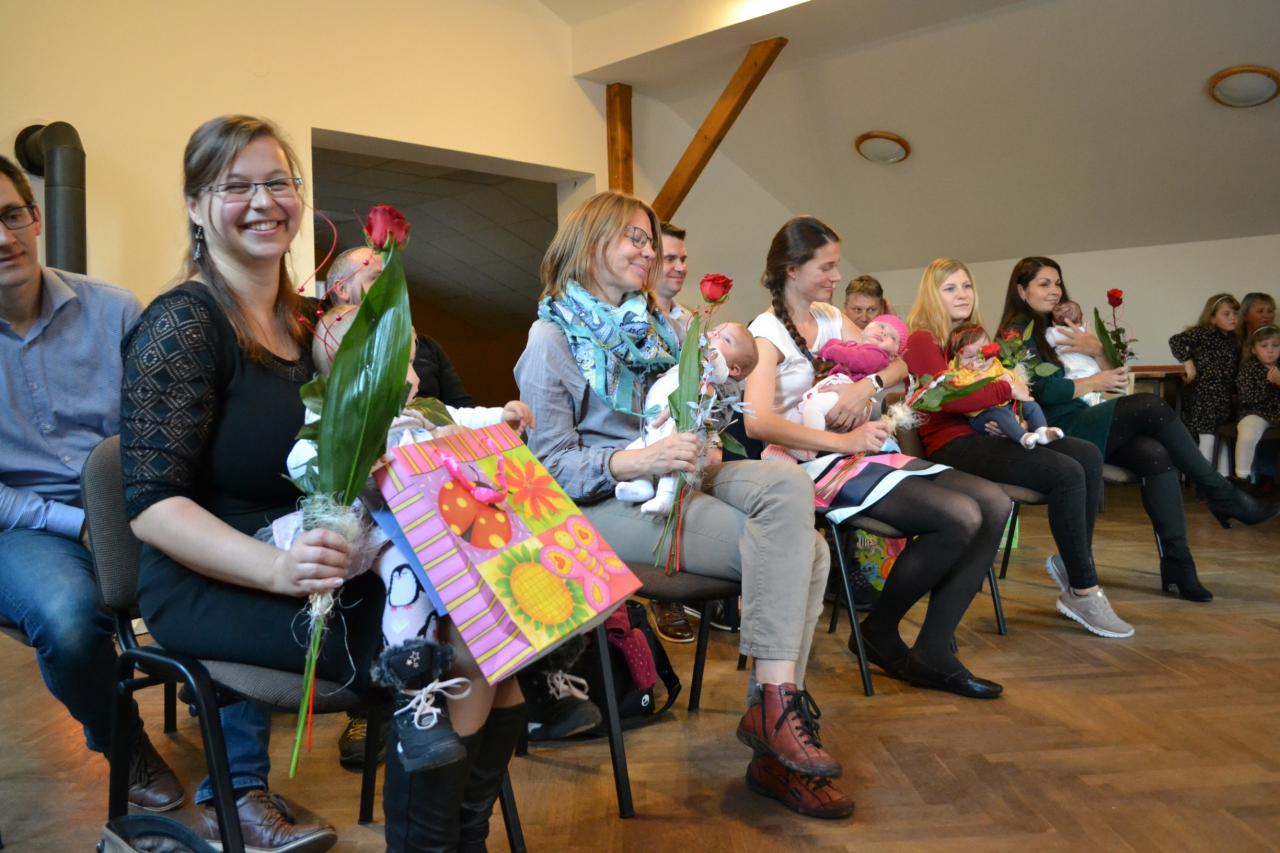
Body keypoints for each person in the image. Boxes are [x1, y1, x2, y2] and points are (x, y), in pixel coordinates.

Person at [120, 115, 516, 852]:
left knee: (499, 633)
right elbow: (150, 505)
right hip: (220, 573)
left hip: (331, 547)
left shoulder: (316, 324)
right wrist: (278, 569)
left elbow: (382, 430)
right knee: (461, 642)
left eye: (279, 182)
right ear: (196, 204)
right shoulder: (180, 325)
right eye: (235, 186)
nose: (263, 201)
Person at [517, 192, 853, 819]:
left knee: (787, 485)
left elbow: (701, 412)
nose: (648, 251)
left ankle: (772, 711)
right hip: (606, 499)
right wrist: (640, 460)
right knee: (807, 553)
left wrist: (715, 401)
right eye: (634, 238)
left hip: (682, 473)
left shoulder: (664, 328)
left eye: (651, 240)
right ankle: (777, 728)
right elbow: (550, 468)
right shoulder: (550, 337)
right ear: (589, 242)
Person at [743, 218, 1009, 703]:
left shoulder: (829, 316)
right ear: (791, 269)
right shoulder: (766, 333)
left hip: (861, 449)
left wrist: (868, 385)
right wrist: (844, 442)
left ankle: (933, 647)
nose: (835, 276)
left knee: (994, 503)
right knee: (959, 515)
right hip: (808, 464)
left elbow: (901, 361)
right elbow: (758, 422)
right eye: (827, 267)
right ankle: (881, 631)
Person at [0, 155, 184, 812]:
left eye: (10, 215)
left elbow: (159, 425)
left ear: (36, 218)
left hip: (131, 498)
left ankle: (240, 765)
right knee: (71, 623)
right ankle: (121, 739)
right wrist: (76, 524)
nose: (3, 238)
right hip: (23, 524)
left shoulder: (114, 309)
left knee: (228, 564)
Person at [999, 257, 1278, 607]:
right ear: (1021, 290)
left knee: (1155, 454)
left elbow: (1116, 377)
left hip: (1089, 417)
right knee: (1149, 404)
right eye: (1044, 284)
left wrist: (1097, 350)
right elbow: (1043, 391)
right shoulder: (1016, 333)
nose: (1055, 290)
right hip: (1057, 428)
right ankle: (1221, 494)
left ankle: (1179, 564)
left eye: (1057, 283)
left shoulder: (1061, 324)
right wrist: (1095, 381)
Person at [614, 321, 758, 514]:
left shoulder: (721, 376)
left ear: (734, 369)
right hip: (656, 425)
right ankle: (642, 485)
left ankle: (666, 497)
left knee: (676, 458)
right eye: (716, 330)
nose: (714, 334)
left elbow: (713, 369)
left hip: (681, 426)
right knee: (637, 447)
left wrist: (703, 351)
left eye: (725, 338)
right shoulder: (694, 361)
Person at [328, 245, 474, 406]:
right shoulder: (326, 347)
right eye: (377, 279)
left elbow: (463, 407)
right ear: (342, 289)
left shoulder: (426, 346)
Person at [760, 314, 908, 462]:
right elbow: (833, 345)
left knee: (814, 407)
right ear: (863, 330)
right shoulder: (852, 344)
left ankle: (810, 449)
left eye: (892, 337)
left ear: (893, 355)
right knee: (798, 417)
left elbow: (857, 360)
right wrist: (833, 346)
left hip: (850, 394)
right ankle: (781, 452)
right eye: (881, 326)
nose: (884, 333)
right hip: (835, 392)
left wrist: (833, 351)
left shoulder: (878, 355)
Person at [947, 323, 1064, 449]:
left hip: (1006, 406)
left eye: (985, 353)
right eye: (970, 357)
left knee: (1031, 406)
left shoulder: (995, 364)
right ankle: (1023, 438)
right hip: (981, 415)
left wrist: (1010, 378)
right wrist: (975, 381)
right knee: (1001, 414)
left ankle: (1042, 432)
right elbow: (959, 390)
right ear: (957, 358)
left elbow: (1015, 381)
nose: (979, 360)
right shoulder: (959, 372)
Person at [1169, 293, 1241, 471]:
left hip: (1223, 398)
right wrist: (1188, 362)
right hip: (1204, 397)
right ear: (1212, 318)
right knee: (1207, 438)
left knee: (1222, 438)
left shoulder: (1233, 339)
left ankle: (1222, 477)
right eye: (1226, 314)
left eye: (1235, 313)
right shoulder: (1204, 332)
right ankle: (1204, 479)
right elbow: (1176, 341)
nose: (1232, 317)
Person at [1234, 325, 1280, 487]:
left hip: (1278, 414)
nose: (1270, 350)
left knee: (1271, 447)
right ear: (1254, 349)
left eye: (1275, 346)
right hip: (1255, 413)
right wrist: (1270, 383)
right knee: (1247, 433)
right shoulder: (1248, 369)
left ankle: (1267, 479)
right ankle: (1242, 477)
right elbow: (1248, 398)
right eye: (1264, 346)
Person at [1046, 300, 1103, 406]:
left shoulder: (1056, 331)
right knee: (1094, 392)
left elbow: (1044, 343)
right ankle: (1097, 401)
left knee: (1081, 393)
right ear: (1081, 317)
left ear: (1054, 322)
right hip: (1094, 369)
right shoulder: (1085, 332)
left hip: (1076, 372)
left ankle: (1092, 402)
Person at [655, 222, 693, 337]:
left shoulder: (689, 320)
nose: (681, 268)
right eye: (670, 259)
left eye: (683, 260)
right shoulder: (631, 315)